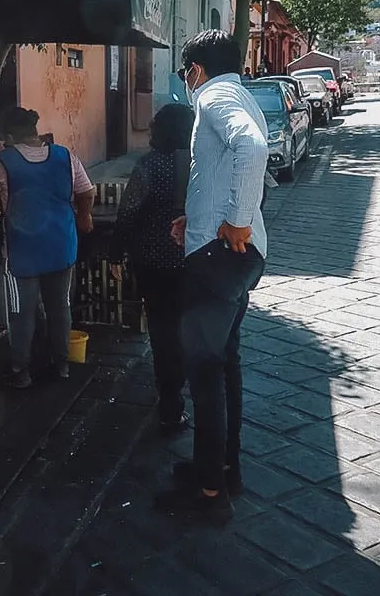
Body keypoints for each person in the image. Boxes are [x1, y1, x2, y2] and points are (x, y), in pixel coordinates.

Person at [154, 30, 268, 523]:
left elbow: (252, 145)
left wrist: (237, 218)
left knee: (204, 373)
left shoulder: (216, 95)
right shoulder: (239, 93)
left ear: (195, 69)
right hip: (233, 252)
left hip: (220, 258)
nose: (185, 82)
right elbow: (220, 171)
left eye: (184, 73)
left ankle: (208, 492)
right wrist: (196, 218)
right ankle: (222, 469)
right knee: (224, 366)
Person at [0, 107, 96, 388]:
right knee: (60, 306)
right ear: (35, 132)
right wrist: (84, 215)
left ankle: (21, 370)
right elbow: (87, 191)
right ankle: (62, 365)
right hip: (61, 244)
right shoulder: (65, 155)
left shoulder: (2, 161)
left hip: (23, 250)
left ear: (8, 136)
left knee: (22, 311)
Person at [110, 103, 195, 437]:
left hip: (154, 263)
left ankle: (170, 403)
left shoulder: (149, 165)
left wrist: (116, 253)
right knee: (188, 329)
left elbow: (128, 212)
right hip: (193, 260)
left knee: (162, 332)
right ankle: (187, 390)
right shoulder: (200, 164)